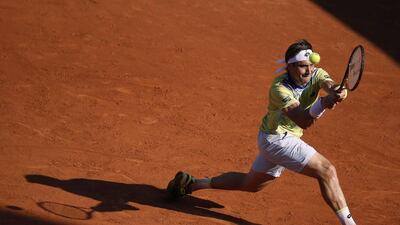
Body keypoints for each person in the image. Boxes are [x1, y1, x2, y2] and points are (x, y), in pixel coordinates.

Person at [166, 39, 356, 225]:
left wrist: (337, 91)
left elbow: (330, 84)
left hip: (278, 138)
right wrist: (323, 103)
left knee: (249, 185)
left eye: (311, 65)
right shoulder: (279, 88)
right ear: (289, 67)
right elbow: (303, 120)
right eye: (302, 66)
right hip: (277, 139)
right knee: (327, 170)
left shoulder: (316, 73)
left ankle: (191, 184)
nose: (309, 70)